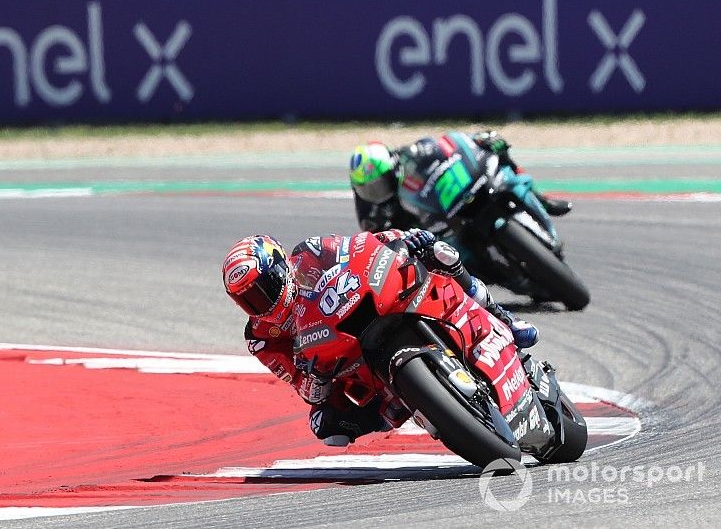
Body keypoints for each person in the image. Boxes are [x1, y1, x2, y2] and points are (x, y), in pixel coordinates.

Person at [221, 229, 540, 447]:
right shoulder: (262, 338)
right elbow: (302, 388)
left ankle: (503, 319)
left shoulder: (310, 254)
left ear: (281, 266)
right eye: (250, 300)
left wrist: (404, 239)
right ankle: (406, 407)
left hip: (368, 306)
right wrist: (315, 378)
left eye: (267, 285)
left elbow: (359, 247)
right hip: (344, 364)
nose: (263, 301)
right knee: (324, 425)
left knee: (440, 254)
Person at [349, 130, 572, 236]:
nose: (376, 192)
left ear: (393, 169)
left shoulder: (410, 157)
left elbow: (442, 147)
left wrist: (477, 141)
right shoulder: (369, 213)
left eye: (380, 183)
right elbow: (377, 243)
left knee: (495, 149)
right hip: (434, 237)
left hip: (449, 201)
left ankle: (541, 199)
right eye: (368, 189)